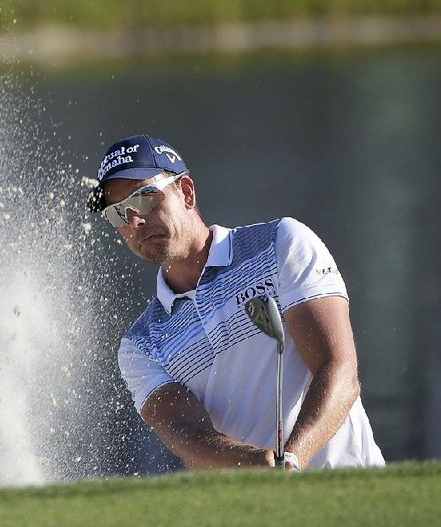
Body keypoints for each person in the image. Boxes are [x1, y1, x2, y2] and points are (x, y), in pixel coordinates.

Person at [88, 134, 385, 471]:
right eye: (118, 214)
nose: (135, 221)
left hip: (350, 488)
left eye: (144, 199)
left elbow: (339, 370)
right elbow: (186, 434)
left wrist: (293, 459)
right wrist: (253, 467)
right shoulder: (141, 344)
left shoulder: (280, 243)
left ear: (186, 192)